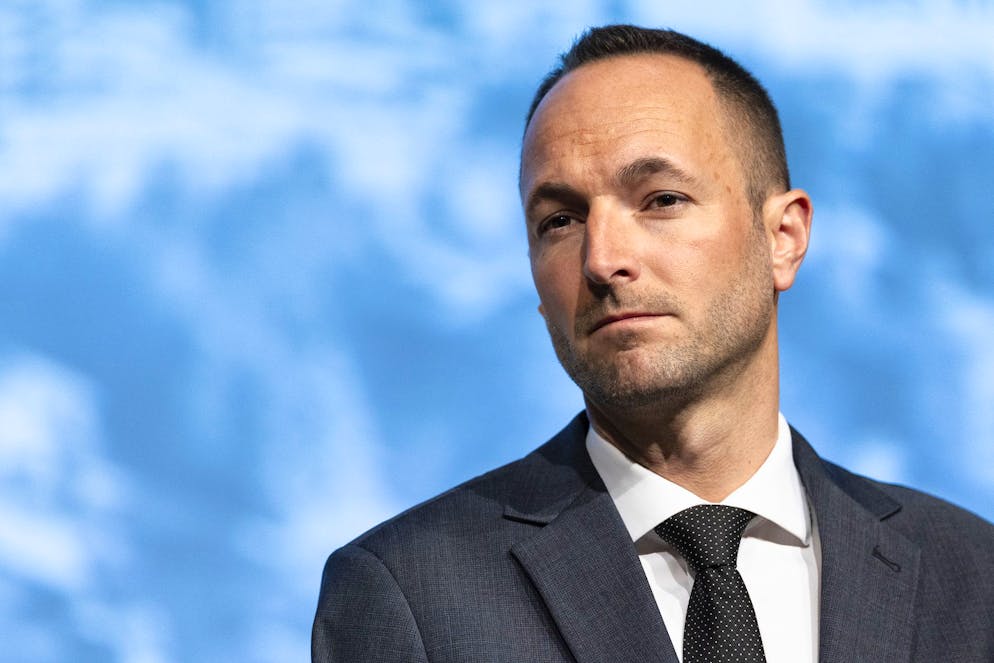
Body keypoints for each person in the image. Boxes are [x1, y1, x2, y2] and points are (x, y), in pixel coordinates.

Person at [312, 25, 994, 663]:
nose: (602, 259)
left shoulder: (971, 572)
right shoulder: (411, 595)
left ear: (783, 238)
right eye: (559, 220)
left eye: (661, 199)